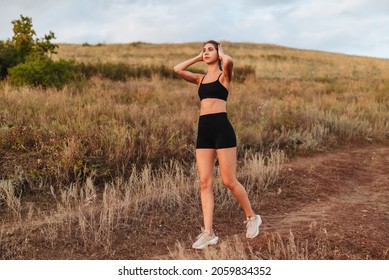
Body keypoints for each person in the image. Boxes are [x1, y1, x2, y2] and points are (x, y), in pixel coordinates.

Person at [173, 40, 262, 250]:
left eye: (209, 49)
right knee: (205, 182)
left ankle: (252, 217)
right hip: (204, 131)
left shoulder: (224, 76)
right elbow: (177, 69)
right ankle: (209, 232)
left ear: (219, 52)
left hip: (222, 129)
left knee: (229, 180)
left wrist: (222, 54)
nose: (205, 53)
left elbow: (229, 61)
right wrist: (197, 56)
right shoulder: (200, 79)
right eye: (204, 50)